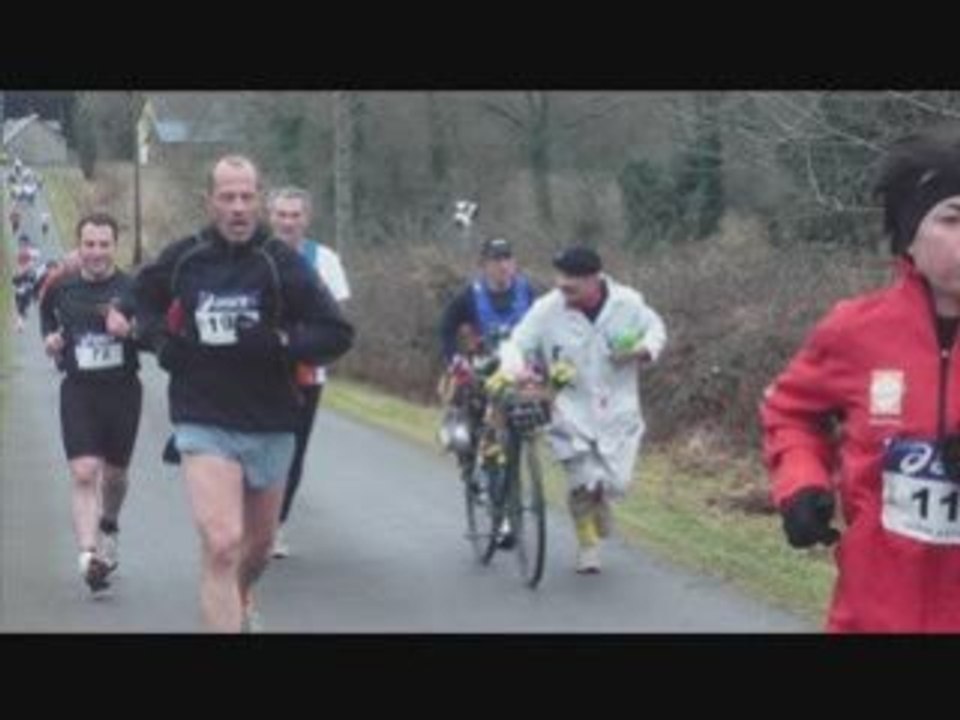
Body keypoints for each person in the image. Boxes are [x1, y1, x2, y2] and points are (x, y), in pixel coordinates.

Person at [133, 155, 354, 633]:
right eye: (227, 197)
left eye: (247, 197)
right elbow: (140, 299)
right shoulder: (186, 256)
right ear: (209, 201)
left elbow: (336, 332)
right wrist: (160, 342)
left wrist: (281, 342)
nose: (237, 207)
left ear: (259, 200)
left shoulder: (280, 263)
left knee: (254, 550)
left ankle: (239, 595)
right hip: (202, 414)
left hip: (271, 419)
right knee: (221, 542)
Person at [761, 123, 960, 633]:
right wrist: (801, 483)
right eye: (954, 219)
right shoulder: (854, 330)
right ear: (909, 232)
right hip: (873, 610)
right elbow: (790, 414)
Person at [497, 246, 666, 573]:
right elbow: (518, 342)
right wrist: (516, 369)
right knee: (582, 479)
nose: (563, 290)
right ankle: (588, 547)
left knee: (617, 483)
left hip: (618, 407)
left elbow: (656, 329)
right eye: (559, 283)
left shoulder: (628, 303)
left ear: (593, 280)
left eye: (571, 286)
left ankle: (603, 497)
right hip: (568, 408)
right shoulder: (547, 309)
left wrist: (643, 351)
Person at [39, 212, 142, 593]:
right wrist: (50, 340)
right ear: (78, 245)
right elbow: (47, 318)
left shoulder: (132, 289)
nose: (96, 252)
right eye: (89, 244)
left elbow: (154, 335)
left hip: (122, 391)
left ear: (114, 246)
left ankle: (109, 523)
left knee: (114, 476)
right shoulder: (61, 287)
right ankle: (89, 556)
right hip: (79, 390)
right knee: (84, 472)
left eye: (104, 245)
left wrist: (130, 329)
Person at [438, 237, 542, 548]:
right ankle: (470, 462)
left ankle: (511, 495)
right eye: (496, 260)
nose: (502, 266)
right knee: (475, 428)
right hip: (481, 371)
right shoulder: (471, 295)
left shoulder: (527, 292)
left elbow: (546, 326)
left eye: (507, 259)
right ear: (484, 265)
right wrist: (454, 359)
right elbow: (446, 327)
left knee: (520, 428)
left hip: (519, 373)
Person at [267, 186, 351, 558]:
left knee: (292, 451)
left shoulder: (324, 259)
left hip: (304, 371)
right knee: (255, 447)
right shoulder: (255, 254)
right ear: (270, 217)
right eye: (281, 215)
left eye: (295, 215)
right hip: (256, 369)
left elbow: (336, 316)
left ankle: (275, 527)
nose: (288, 222)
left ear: (306, 218)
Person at [12, 233, 41, 331]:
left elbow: (35, 256)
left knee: (25, 300)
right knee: (20, 300)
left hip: (29, 279)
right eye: (21, 244)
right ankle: (20, 320)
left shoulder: (30, 253)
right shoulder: (20, 254)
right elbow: (19, 270)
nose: (22, 246)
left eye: (24, 244)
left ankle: (21, 321)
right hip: (22, 280)